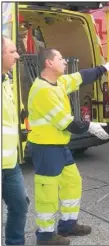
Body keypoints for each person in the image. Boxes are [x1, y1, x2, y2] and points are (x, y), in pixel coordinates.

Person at [27, 47, 109, 245]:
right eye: (61, 58)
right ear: (49, 63)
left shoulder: (58, 82)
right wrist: (92, 126)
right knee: (48, 192)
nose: (65, 62)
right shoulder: (42, 91)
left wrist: (103, 68)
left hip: (59, 145)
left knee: (72, 182)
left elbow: (80, 77)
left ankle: (68, 225)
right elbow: (67, 123)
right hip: (45, 148)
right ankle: (45, 236)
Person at [2, 35, 30, 245]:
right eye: (12, 51)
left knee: (20, 204)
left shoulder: (7, 79)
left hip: (10, 163)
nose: (18, 55)